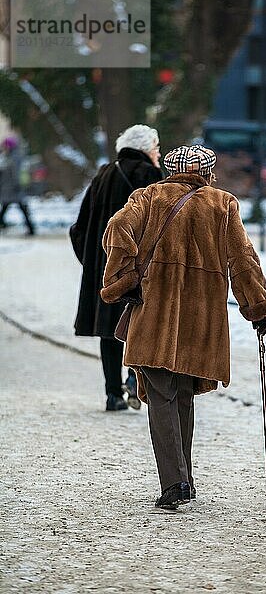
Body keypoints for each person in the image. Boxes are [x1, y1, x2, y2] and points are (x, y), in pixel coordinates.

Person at [100, 145, 266, 509]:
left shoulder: (148, 197)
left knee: (161, 397)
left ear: (169, 169)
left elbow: (117, 228)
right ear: (209, 173)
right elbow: (243, 260)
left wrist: (123, 278)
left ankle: (174, 483)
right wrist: (257, 307)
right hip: (200, 322)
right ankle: (185, 479)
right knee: (180, 396)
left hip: (153, 316)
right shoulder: (222, 204)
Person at [70, 124, 162, 411]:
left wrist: (92, 262)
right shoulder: (150, 175)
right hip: (137, 268)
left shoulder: (102, 174)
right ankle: (134, 379)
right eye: (156, 148)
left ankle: (113, 394)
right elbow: (155, 225)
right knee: (138, 325)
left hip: (103, 267)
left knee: (108, 329)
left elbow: (79, 227)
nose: (158, 153)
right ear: (147, 149)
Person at [0, 136, 35, 235]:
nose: (4, 148)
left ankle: (31, 229)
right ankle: (31, 229)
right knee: (8, 208)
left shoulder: (14, 157)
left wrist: (17, 184)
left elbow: (16, 172)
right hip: (9, 188)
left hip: (14, 188)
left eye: (5, 146)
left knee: (20, 208)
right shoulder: (9, 156)